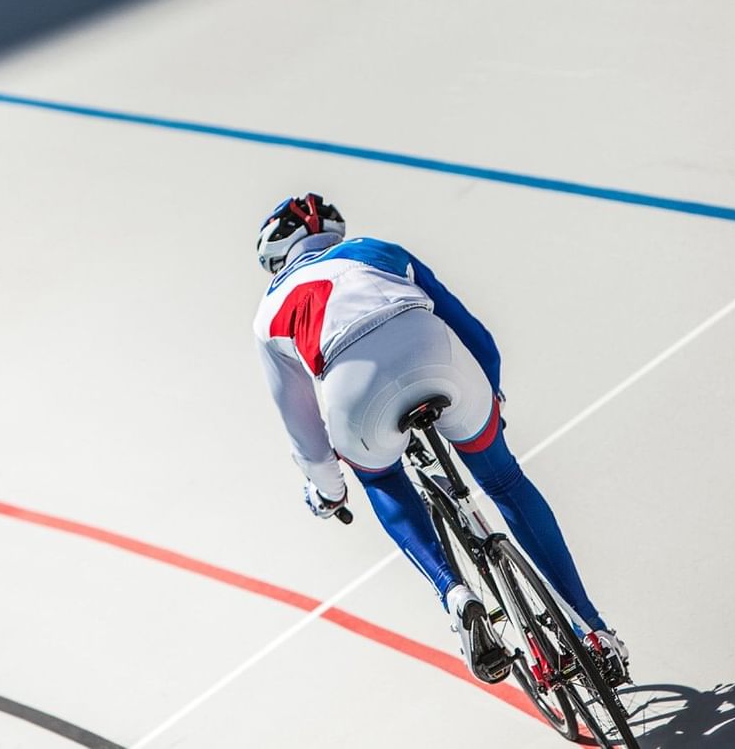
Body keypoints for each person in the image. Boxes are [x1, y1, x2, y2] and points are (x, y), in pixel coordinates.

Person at [253, 193, 629, 684]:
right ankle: (590, 631)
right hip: (437, 355)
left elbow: (304, 433)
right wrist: (489, 398)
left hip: (354, 390)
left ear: (278, 260)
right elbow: (475, 334)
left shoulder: (268, 315)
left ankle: (455, 594)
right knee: (504, 481)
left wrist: (329, 491)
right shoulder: (379, 249)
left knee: (384, 478)